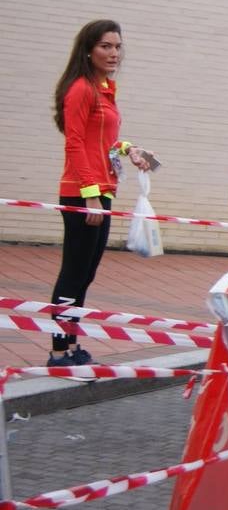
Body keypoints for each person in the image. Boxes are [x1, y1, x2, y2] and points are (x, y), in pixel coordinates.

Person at [49, 19, 155, 367]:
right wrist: (90, 193)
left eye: (117, 46)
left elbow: (103, 142)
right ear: (88, 50)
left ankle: (71, 344)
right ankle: (58, 351)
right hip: (83, 194)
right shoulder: (81, 88)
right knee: (74, 271)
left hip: (101, 192)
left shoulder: (105, 89)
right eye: (105, 46)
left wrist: (128, 149)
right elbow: (75, 144)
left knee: (87, 272)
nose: (113, 53)